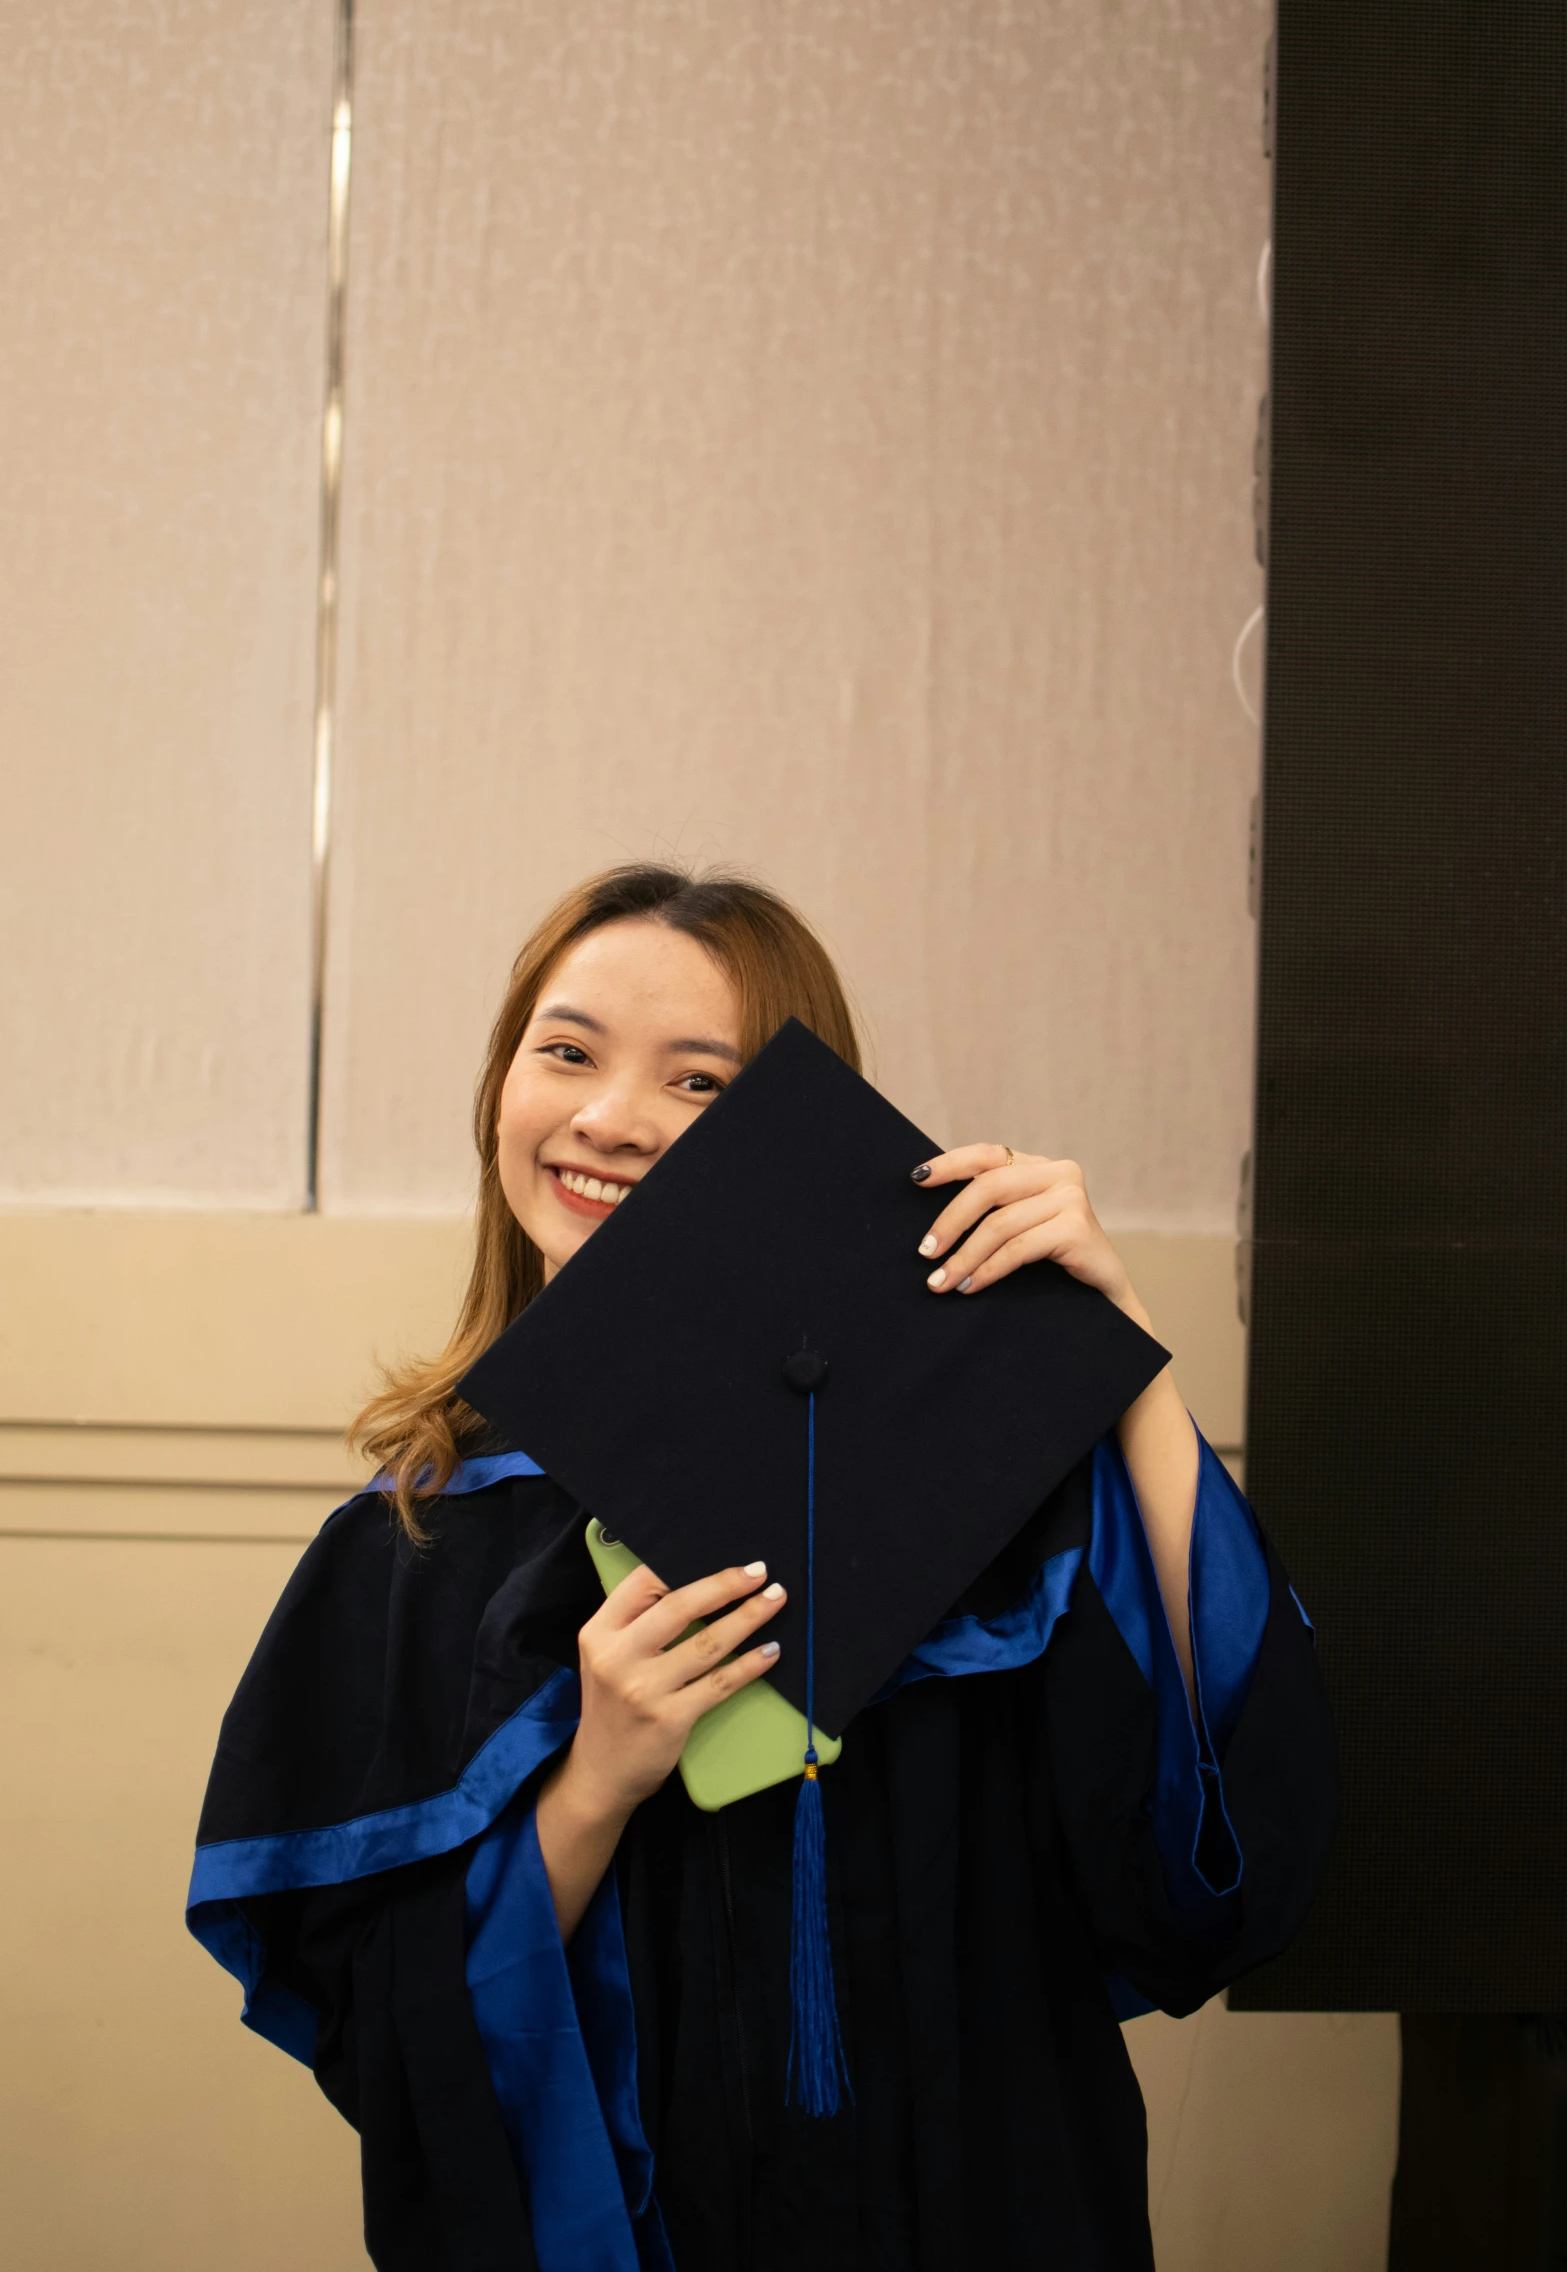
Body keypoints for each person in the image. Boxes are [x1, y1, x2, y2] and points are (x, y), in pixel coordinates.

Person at [188, 862, 1336, 2272]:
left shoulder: (976, 1488)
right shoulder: (415, 1540)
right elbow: (389, 2040)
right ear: (501, 1088)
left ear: (798, 1131)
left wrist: (1111, 1352)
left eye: (701, 1084)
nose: (608, 1119)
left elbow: (1220, 1845)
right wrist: (593, 1780)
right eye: (565, 1052)